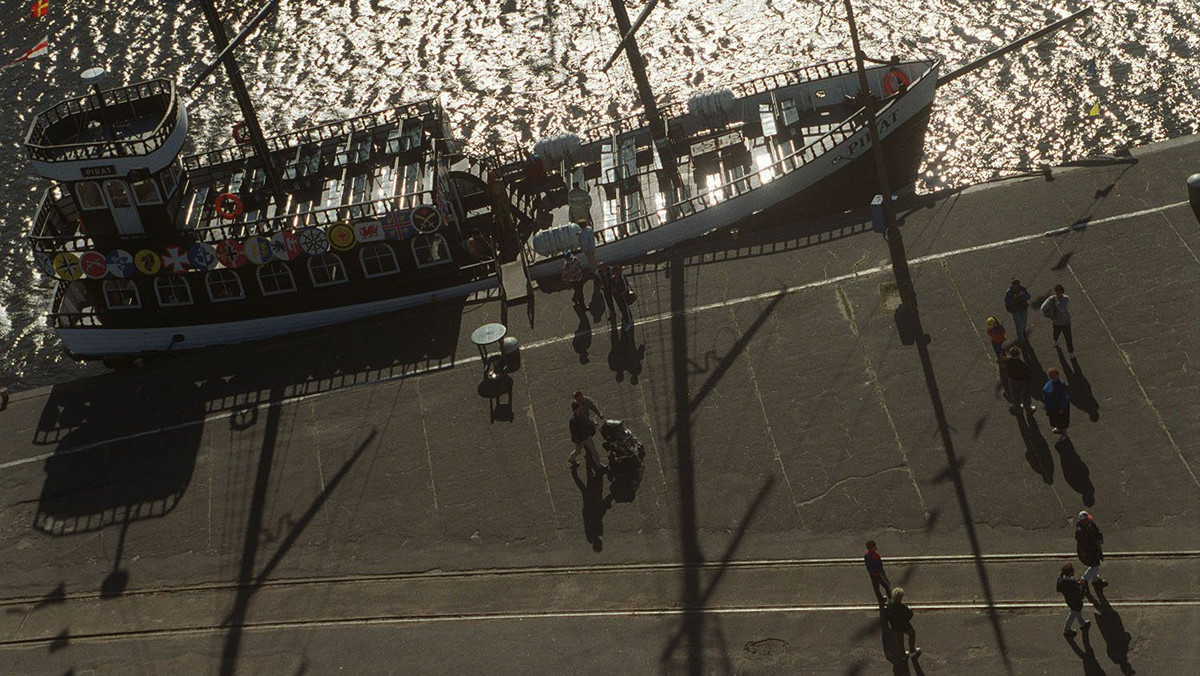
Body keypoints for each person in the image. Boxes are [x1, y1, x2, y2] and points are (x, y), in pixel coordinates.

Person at [1075, 511, 1108, 591]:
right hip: (1088, 552)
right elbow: (1083, 545)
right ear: (1083, 521)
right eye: (1086, 520)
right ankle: (1084, 579)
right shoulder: (1080, 531)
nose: (1089, 520)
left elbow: (1097, 530)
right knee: (1095, 565)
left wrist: (1100, 539)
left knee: (1096, 565)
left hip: (1095, 549)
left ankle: (1095, 580)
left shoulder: (1090, 523)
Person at [1041, 284, 1075, 358]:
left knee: (1068, 337)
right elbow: (1043, 308)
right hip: (1057, 321)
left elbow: (1061, 308)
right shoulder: (1050, 299)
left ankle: (1071, 352)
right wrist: (1049, 315)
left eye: (1059, 292)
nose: (1058, 294)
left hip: (1065, 322)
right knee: (1056, 333)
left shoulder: (1065, 298)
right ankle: (1055, 341)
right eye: (1057, 292)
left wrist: (1055, 301)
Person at [568, 401, 605, 471]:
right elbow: (574, 433)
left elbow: (587, 421)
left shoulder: (582, 414)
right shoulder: (573, 420)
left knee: (594, 451)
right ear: (576, 409)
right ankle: (571, 459)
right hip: (579, 440)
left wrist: (593, 424)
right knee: (578, 451)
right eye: (579, 407)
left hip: (586, 436)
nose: (580, 408)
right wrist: (578, 441)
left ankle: (599, 465)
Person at [1058, 562, 1091, 638]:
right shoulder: (1072, 583)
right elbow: (1079, 593)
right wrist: (1082, 585)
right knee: (1073, 614)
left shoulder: (1061, 580)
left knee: (1076, 612)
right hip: (1075, 602)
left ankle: (1083, 624)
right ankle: (1067, 629)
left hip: (1069, 600)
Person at [886, 587, 921, 658]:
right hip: (904, 625)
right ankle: (912, 650)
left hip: (895, 625)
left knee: (900, 640)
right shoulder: (903, 607)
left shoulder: (890, 603)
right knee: (912, 634)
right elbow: (910, 614)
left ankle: (902, 655)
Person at [1003, 346, 1036, 414]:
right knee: (1026, 396)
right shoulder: (1022, 364)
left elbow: (1003, 360)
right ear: (1018, 354)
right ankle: (1028, 409)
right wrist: (1029, 382)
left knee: (1014, 396)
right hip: (1022, 382)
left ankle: (1017, 408)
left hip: (1012, 380)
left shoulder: (1007, 361)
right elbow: (1027, 375)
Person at [1043, 367, 1071, 436]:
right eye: (1050, 375)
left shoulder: (1061, 385)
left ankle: (1064, 434)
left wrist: (1061, 408)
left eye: (1053, 375)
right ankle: (1059, 428)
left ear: (1057, 375)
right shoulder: (1050, 382)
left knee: (1062, 421)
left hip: (1059, 408)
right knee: (1055, 421)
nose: (1052, 377)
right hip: (1052, 407)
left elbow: (1064, 397)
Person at [864, 540, 892, 607]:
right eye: (875, 546)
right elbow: (880, 567)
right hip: (878, 575)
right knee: (886, 586)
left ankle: (880, 599)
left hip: (872, 575)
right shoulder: (876, 556)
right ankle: (890, 599)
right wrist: (885, 577)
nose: (876, 547)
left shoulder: (866, 555)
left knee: (876, 588)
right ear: (872, 548)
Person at [1004, 278, 1032, 344]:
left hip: (1023, 308)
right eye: (1015, 284)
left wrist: (1023, 295)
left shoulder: (1022, 289)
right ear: (1012, 285)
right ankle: (1021, 339)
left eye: (1018, 284)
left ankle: (1022, 332)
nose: (1017, 286)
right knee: (1019, 324)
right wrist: (1014, 299)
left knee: (1024, 322)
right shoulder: (1009, 292)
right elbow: (1008, 302)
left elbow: (1028, 297)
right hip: (1015, 310)